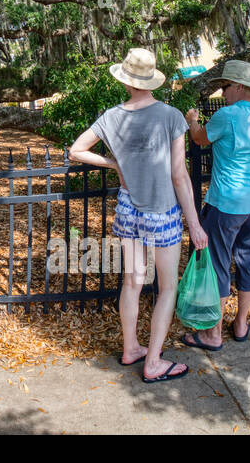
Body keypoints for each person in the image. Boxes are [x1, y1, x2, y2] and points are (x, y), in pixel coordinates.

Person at [70, 48, 208, 383]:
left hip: (128, 209)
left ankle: (132, 347)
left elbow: (75, 151)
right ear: (151, 80)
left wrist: (114, 163)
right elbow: (179, 174)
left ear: (127, 80)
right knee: (167, 287)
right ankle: (154, 362)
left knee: (132, 282)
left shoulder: (112, 116)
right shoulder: (171, 115)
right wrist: (194, 223)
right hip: (161, 212)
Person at [183, 60, 250, 348]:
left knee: (218, 263)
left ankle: (212, 335)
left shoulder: (228, 115)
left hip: (228, 202)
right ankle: (241, 322)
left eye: (225, 86)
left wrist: (192, 120)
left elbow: (200, 139)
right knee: (249, 258)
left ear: (238, 86)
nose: (222, 93)